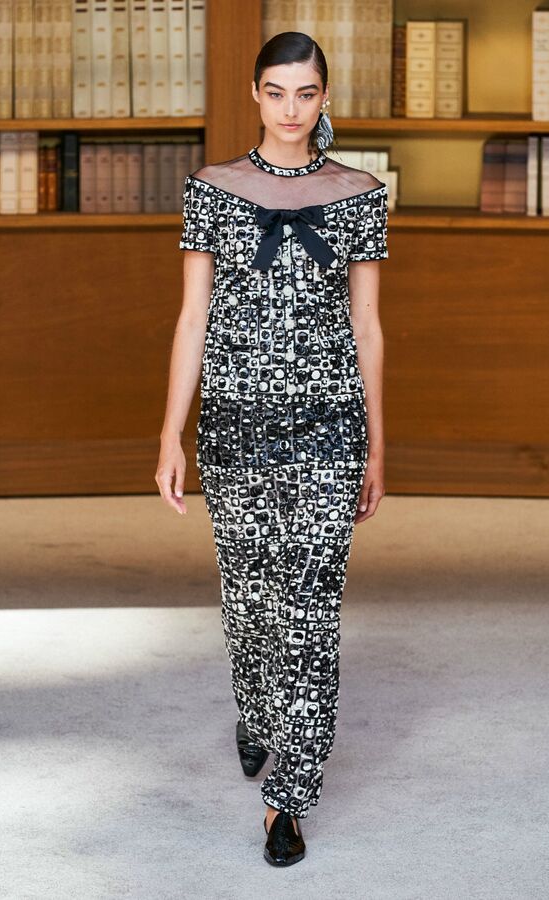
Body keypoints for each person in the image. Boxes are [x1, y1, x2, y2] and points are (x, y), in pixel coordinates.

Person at [156, 31, 388, 867]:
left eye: (307, 92)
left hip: (330, 426)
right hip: (235, 428)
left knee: (311, 607)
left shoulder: (360, 194)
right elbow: (192, 318)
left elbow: (368, 325)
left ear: (325, 97)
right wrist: (170, 432)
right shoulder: (212, 190)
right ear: (256, 94)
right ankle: (256, 713)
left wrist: (377, 445)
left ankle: (291, 794)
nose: (292, 109)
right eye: (278, 92)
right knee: (251, 599)